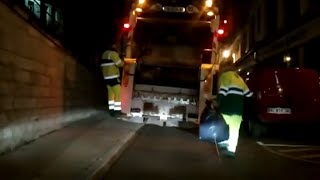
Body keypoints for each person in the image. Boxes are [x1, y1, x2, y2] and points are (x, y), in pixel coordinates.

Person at [216, 58, 253, 158]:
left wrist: (217, 101)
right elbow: (249, 94)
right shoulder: (239, 78)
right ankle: (232, 150)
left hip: (226, 108)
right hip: (238, 110)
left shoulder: (224, 76)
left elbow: (223, 91)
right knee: (234, 130)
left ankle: (223, 142)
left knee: (223, 126)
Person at [100, 43, 127, 118]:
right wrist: (125, 62)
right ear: (113, 47)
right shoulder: (113, 54)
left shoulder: (104, 54)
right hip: (113, 77)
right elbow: (119, 64)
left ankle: (111, 111)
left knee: (111, 94)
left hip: (106, 78)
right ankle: (117, 111)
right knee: (118, 93)